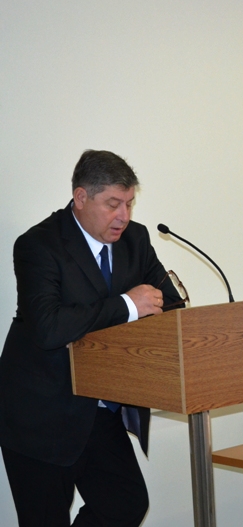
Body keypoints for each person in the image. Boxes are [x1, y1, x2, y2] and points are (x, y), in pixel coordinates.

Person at [0, 150, 182, 526]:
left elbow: (171, 304)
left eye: (129, 203)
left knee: (126, 504)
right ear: (81, 197)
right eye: (113, 204)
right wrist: (127, 305)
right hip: (40, 414)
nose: (124, 216)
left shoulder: (135, 239)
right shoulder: (39, 245)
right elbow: (49, 327)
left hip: (98, 407)